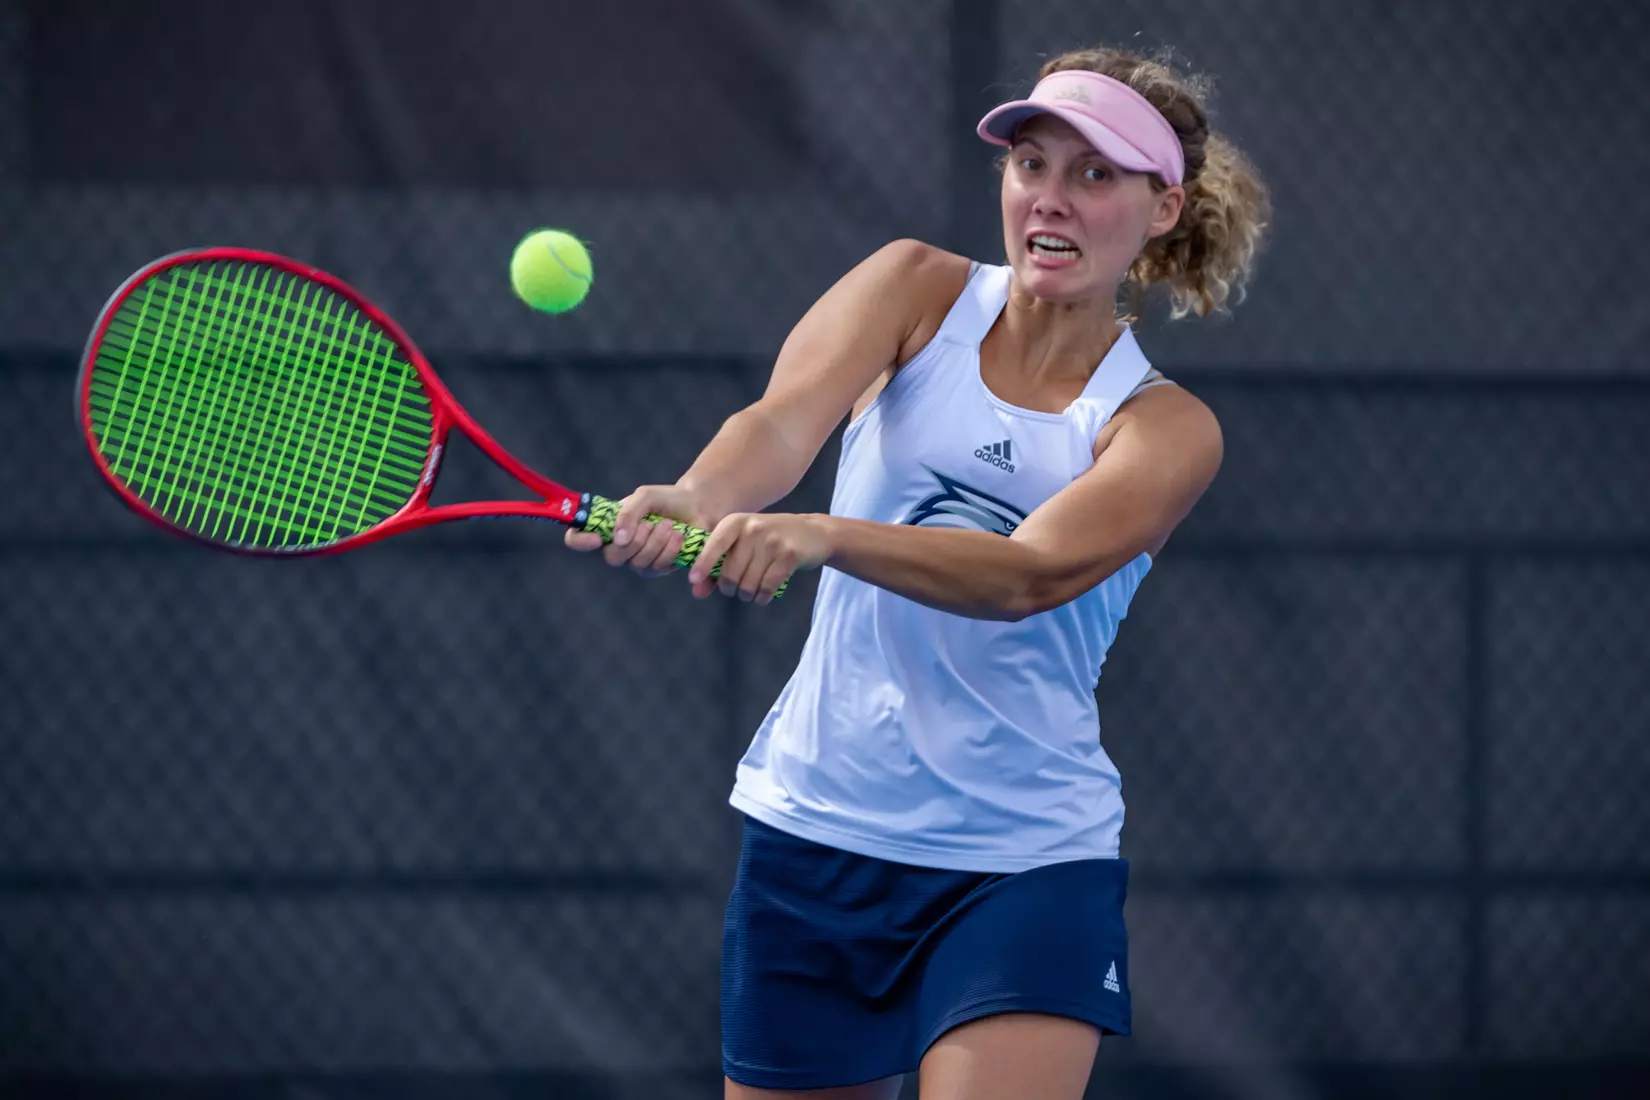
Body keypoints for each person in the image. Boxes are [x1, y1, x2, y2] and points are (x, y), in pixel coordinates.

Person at [566, 44, 1270, 1100]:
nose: (1052, 198)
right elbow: (780, 418)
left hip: (1024, 861)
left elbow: (1028, 573)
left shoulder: (1164, 428)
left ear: (1161, 208)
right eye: (1032, 164)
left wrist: (823, 534)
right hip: (818, 830)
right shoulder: (912, 289)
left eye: (1094, 175)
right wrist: (703, 494)